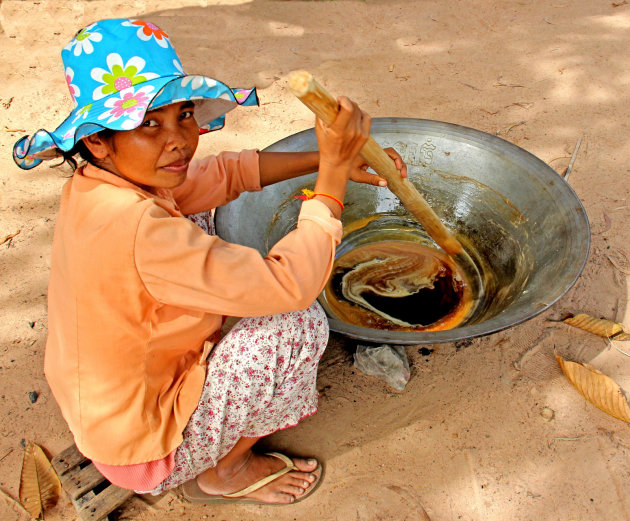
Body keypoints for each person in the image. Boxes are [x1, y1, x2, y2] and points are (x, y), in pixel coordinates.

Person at [13, 18, 407, 505]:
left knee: (195, 212)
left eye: (182, 114)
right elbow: (291, 285)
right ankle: (226, 470)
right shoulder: (141, 231)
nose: (177, 138)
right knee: (297, 324)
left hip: (104, 404)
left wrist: (328, 161)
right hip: (143, 450)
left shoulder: (99, 184)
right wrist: (331, 182)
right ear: (97, 139)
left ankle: (208, 382)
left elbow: (223, 173)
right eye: (148, 124)